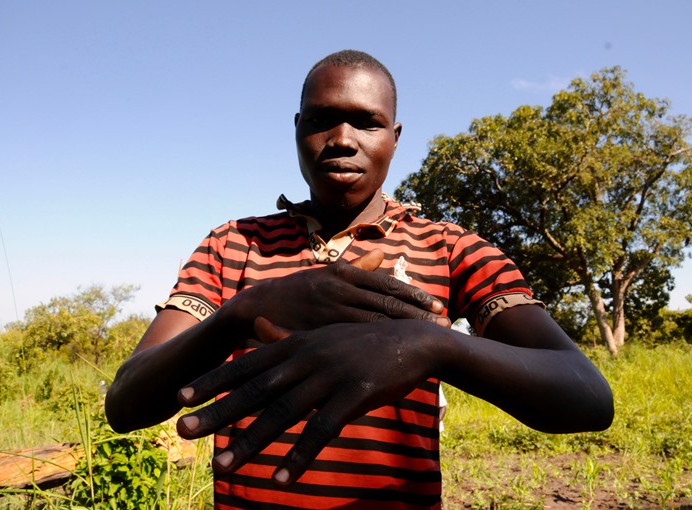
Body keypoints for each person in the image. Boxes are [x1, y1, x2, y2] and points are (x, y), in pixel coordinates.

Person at [106, 49, 613, 509]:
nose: (342, 139)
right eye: (322, 119)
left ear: (394, 138)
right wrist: (241, 312)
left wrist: (432, 346)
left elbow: (588, 397)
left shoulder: (452, 248)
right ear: (297, 127)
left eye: (366, 123)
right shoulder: (231, 245)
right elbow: (126, 403)